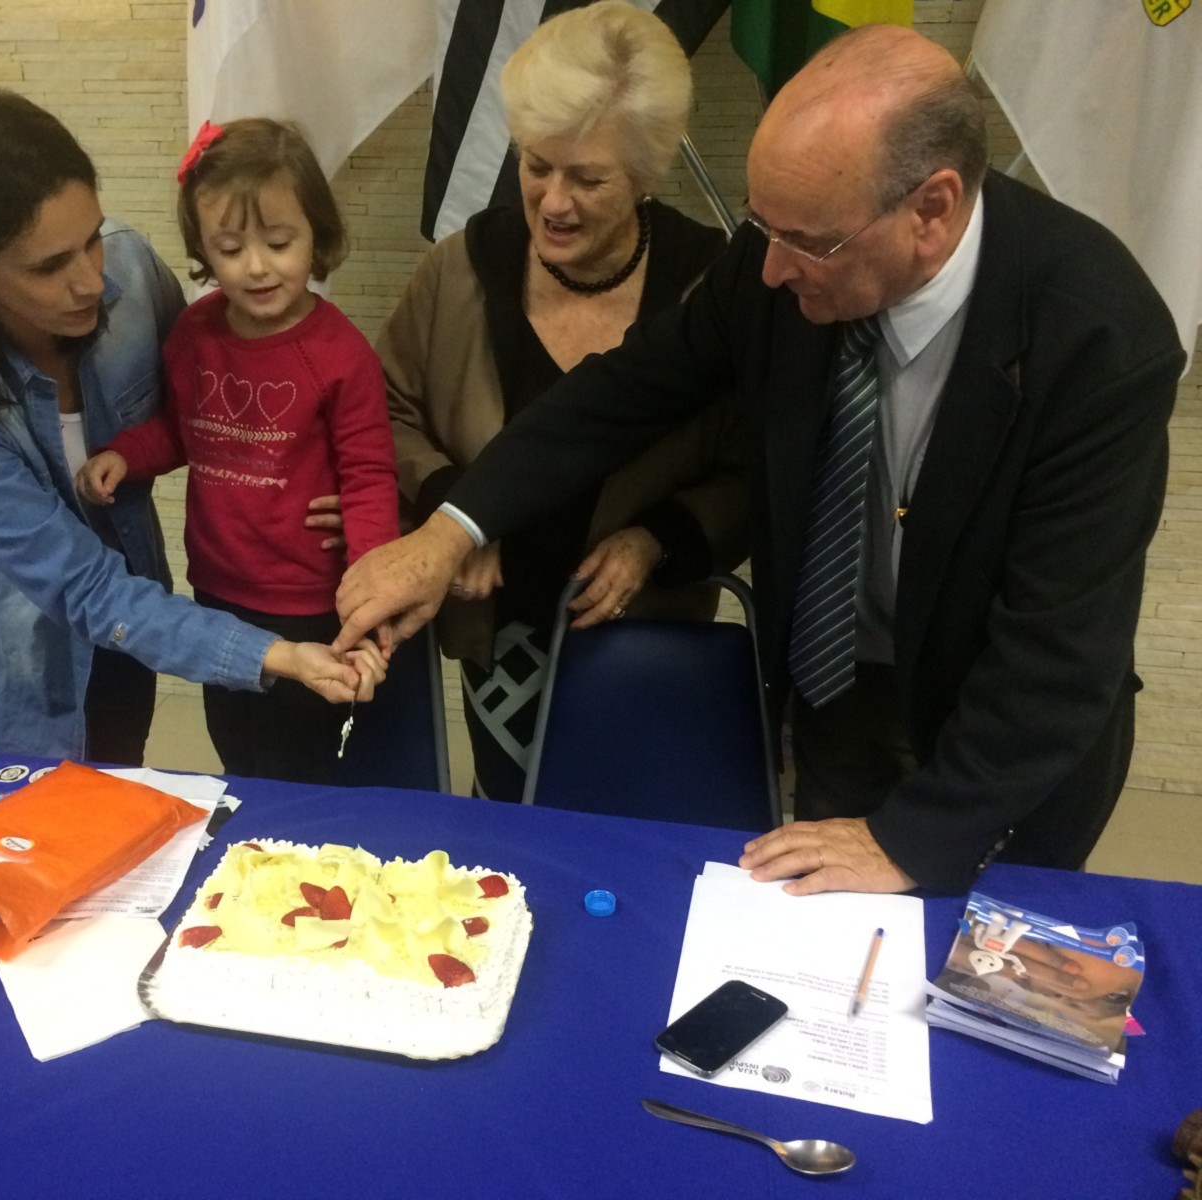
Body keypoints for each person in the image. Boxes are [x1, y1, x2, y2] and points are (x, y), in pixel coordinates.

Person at [335, 26, 1184, 894]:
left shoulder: (1099, 337)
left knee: (972, 962)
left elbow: (1059, 646)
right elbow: (621, 393)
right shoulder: (781, 254)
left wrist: (910, 840)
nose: (771, 269)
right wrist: (451, 529)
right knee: (830, 944)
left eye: (807, 242)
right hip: (835, 692)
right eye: (761, 225)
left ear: (931, 212)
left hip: (1004, 739)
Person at [0, 89, 383, 764]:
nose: (92, 281)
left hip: (144, 621)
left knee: (128, 779)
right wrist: (274, 655)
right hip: (19, 662)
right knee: (46, 814)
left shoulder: (134, 274)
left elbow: (199, 410)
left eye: (91, 239)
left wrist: (349, 509)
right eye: (50, 266)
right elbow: (86, 587)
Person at [377, 1, 746, 800]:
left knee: (627, 824)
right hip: (492, 632)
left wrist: (661, 538)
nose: (552, 201)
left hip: (644, 638)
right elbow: (388, 410)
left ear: (645, 174)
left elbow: (752, 467)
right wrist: (455, 508)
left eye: (587, 178)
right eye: (536, 165)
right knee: (507, 817)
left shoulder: (708, 291)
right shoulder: (461, 268)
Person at [76, 118, 398, 783]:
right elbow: (180, 427)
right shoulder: (195, 331)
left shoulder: (342, 355)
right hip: (217, 587)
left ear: (316, 235)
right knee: (233, 745)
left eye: (279, 242)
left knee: (295, 762)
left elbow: (369, 479)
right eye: (230, 247)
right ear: (203, 248)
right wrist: (127, 455)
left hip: (308, 598)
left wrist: (370, 599)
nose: (256, 266)